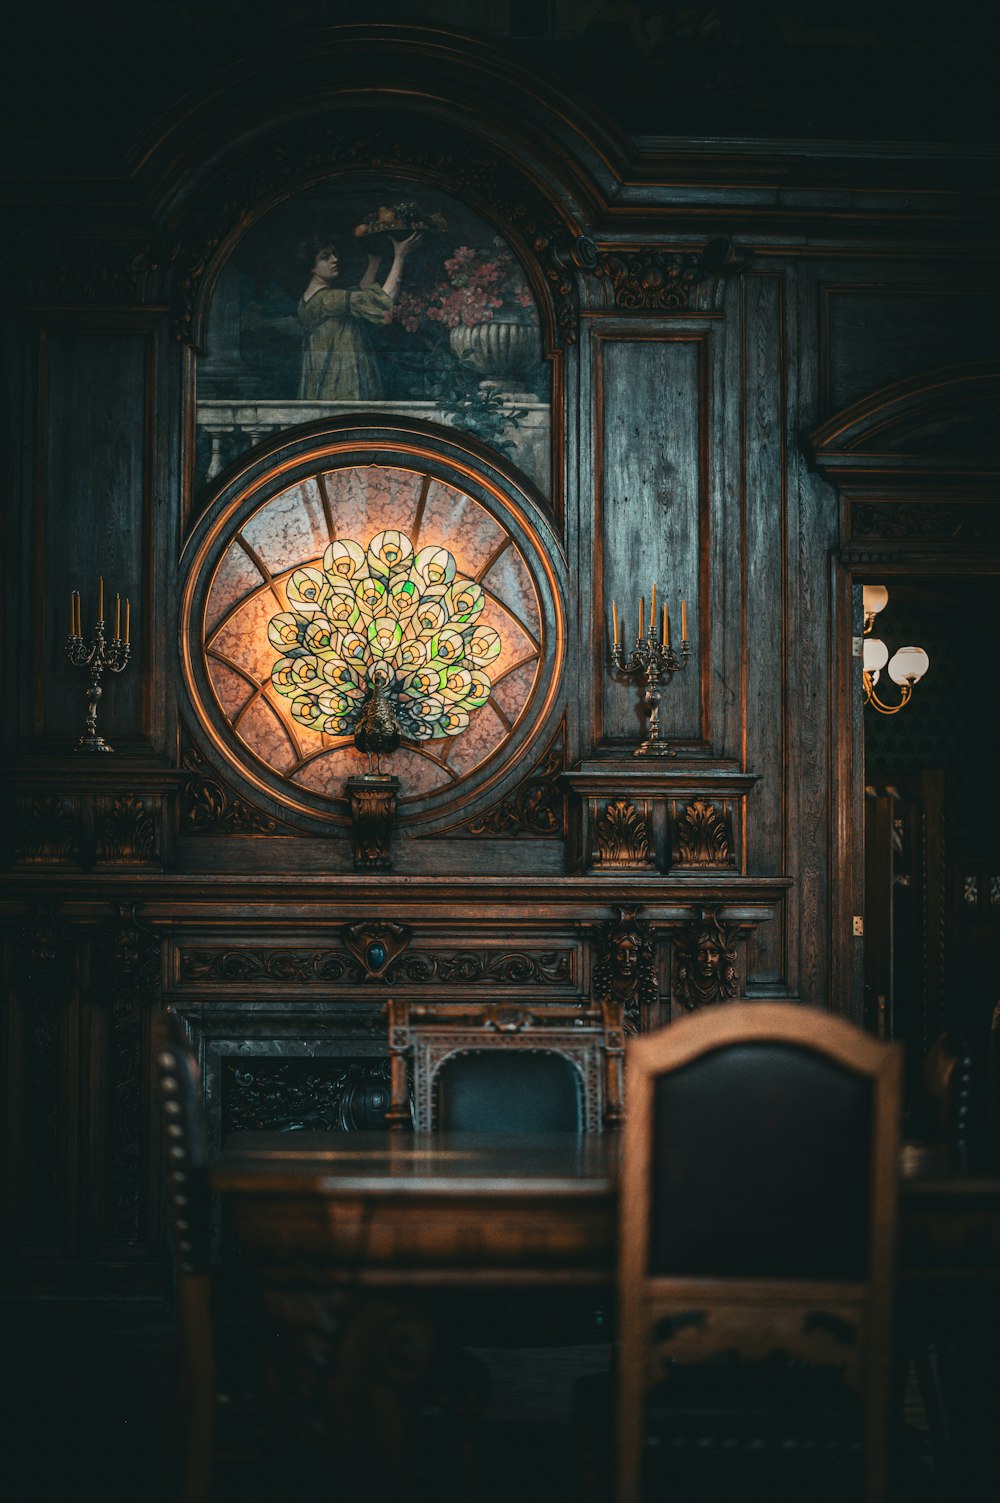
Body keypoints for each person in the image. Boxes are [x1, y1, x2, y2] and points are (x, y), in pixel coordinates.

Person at [297, 230, 419, 400]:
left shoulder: (308, 299)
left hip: (325, 384)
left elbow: (360, 295)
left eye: (334, 254)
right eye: (325, 257)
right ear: (311, 266)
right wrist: (400, 257)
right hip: (342, 383)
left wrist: (374, 263)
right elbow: (383, 302)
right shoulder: (329, 299)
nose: (335, 259)